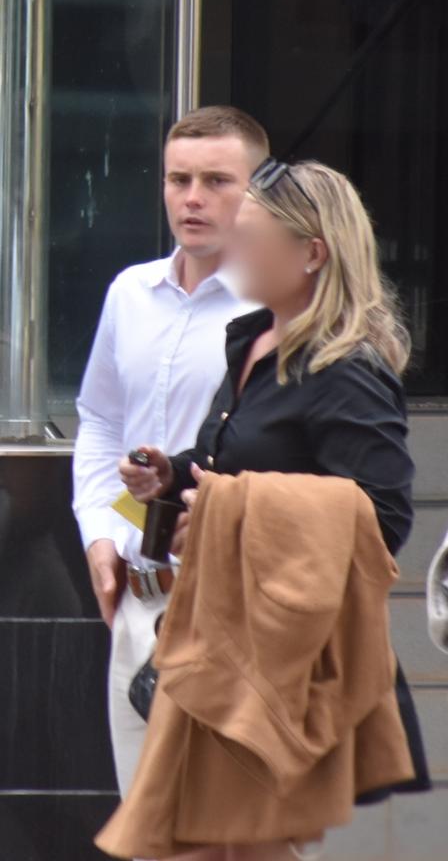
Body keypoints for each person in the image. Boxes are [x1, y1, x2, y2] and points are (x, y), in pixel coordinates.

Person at [115, 158, 431, 861]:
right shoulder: (252, 342)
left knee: (225, 845)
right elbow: (224, 480)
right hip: (219, 632)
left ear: (312, 253)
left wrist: (238, 509)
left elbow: (383, 517)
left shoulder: (346, 369)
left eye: (252, 237)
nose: (232, 248)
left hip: (277, 653)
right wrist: (172, 483)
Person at [72, 105, 269, 808]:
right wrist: (100, 530)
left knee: (231, 835)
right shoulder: (131, 291)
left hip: (231, 602)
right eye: (178, 179)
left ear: (258, 190)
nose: (193, 198)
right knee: (148, 831)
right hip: (138, 597)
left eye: (218, 180)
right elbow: (99, 420)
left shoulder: (275, 307)